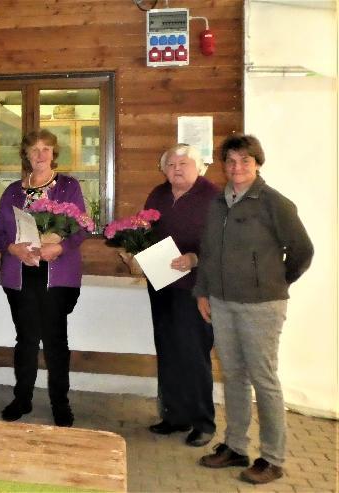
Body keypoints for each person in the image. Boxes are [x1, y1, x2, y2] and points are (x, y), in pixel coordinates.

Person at [194, 134, 313, 484]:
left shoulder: (275, 203)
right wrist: (203, 292)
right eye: (231, 161)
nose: (237, 167)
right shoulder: (218, 204)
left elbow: (303, 251)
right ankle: (235, 447)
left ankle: (273, 458)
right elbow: (209, 252)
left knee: (264, 380)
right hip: (221, 301)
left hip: (262, 305)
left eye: (245, 160)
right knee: (233, 376)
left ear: (257, 163)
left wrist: (275, 282)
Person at [0, 129, 86, 427]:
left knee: (56, 341)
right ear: (27, 155)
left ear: (53, 154)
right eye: (35, 150)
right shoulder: (13, 191)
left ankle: (60, 403)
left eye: (46, 149)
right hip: (22, 275)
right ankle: (23, 399)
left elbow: (82, 228)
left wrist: (59, 246)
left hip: (56, 275)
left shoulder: (68, 187)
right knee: (27, 340)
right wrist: (11, 248)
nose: (41, 155)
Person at [143, 144, 219, 447]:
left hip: (196, 289)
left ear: (198, 167)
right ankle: (174, 416)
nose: (177, 168)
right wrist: (134, 250)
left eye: (184, 163)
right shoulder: (157, 195)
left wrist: (194, 258)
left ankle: (203, 422)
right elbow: (145, 230)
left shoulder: (213, 197)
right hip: (161, 285)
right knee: (169, 351)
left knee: (194, 355)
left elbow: (222, 245)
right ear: (163, 169)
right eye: (171, 163)